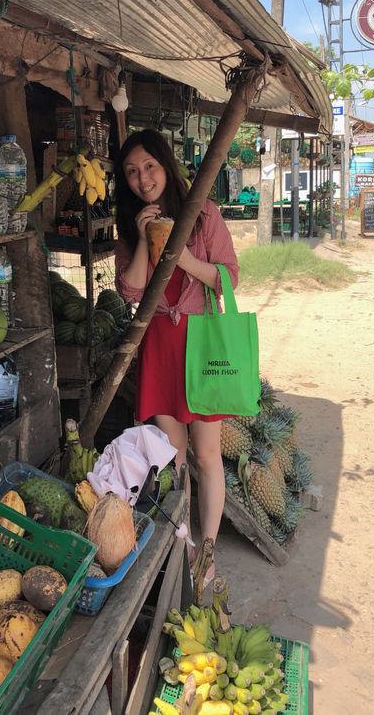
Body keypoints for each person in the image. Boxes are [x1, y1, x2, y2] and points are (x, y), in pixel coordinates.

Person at [114, 129, 239, 582]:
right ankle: (183, 545)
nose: (142, 178)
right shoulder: (133, 227)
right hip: (161, 349)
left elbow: (229, 278)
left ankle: (207, 553)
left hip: (202, 344)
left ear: (165, 165)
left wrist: (181, 255)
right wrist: (145, 239)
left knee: (207, 457)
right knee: (176, 458)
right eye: (131, 172)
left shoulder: (204, 215)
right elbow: (128, 291)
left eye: (149, 166)